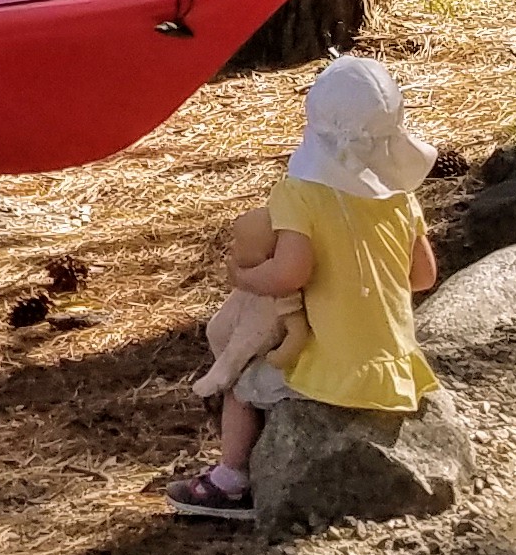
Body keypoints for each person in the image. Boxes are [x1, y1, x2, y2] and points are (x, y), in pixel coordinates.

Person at [169, 54, 440, 519]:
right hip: (395, 366)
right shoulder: (402, 197)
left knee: (241, 381)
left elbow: (289, 274)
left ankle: (231, 481)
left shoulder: (302, 195)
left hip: (336, 368)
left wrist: (242, 276)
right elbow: (423, 277)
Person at [188, 206, 308, 409]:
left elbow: (296, 332)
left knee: (238, 389)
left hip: (254, 360)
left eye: (241, 245)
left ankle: (225, 375)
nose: (233, 249)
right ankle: (225, 371)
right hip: (234, 352)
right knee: (216, 330)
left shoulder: (283, 289)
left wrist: (279, 357)